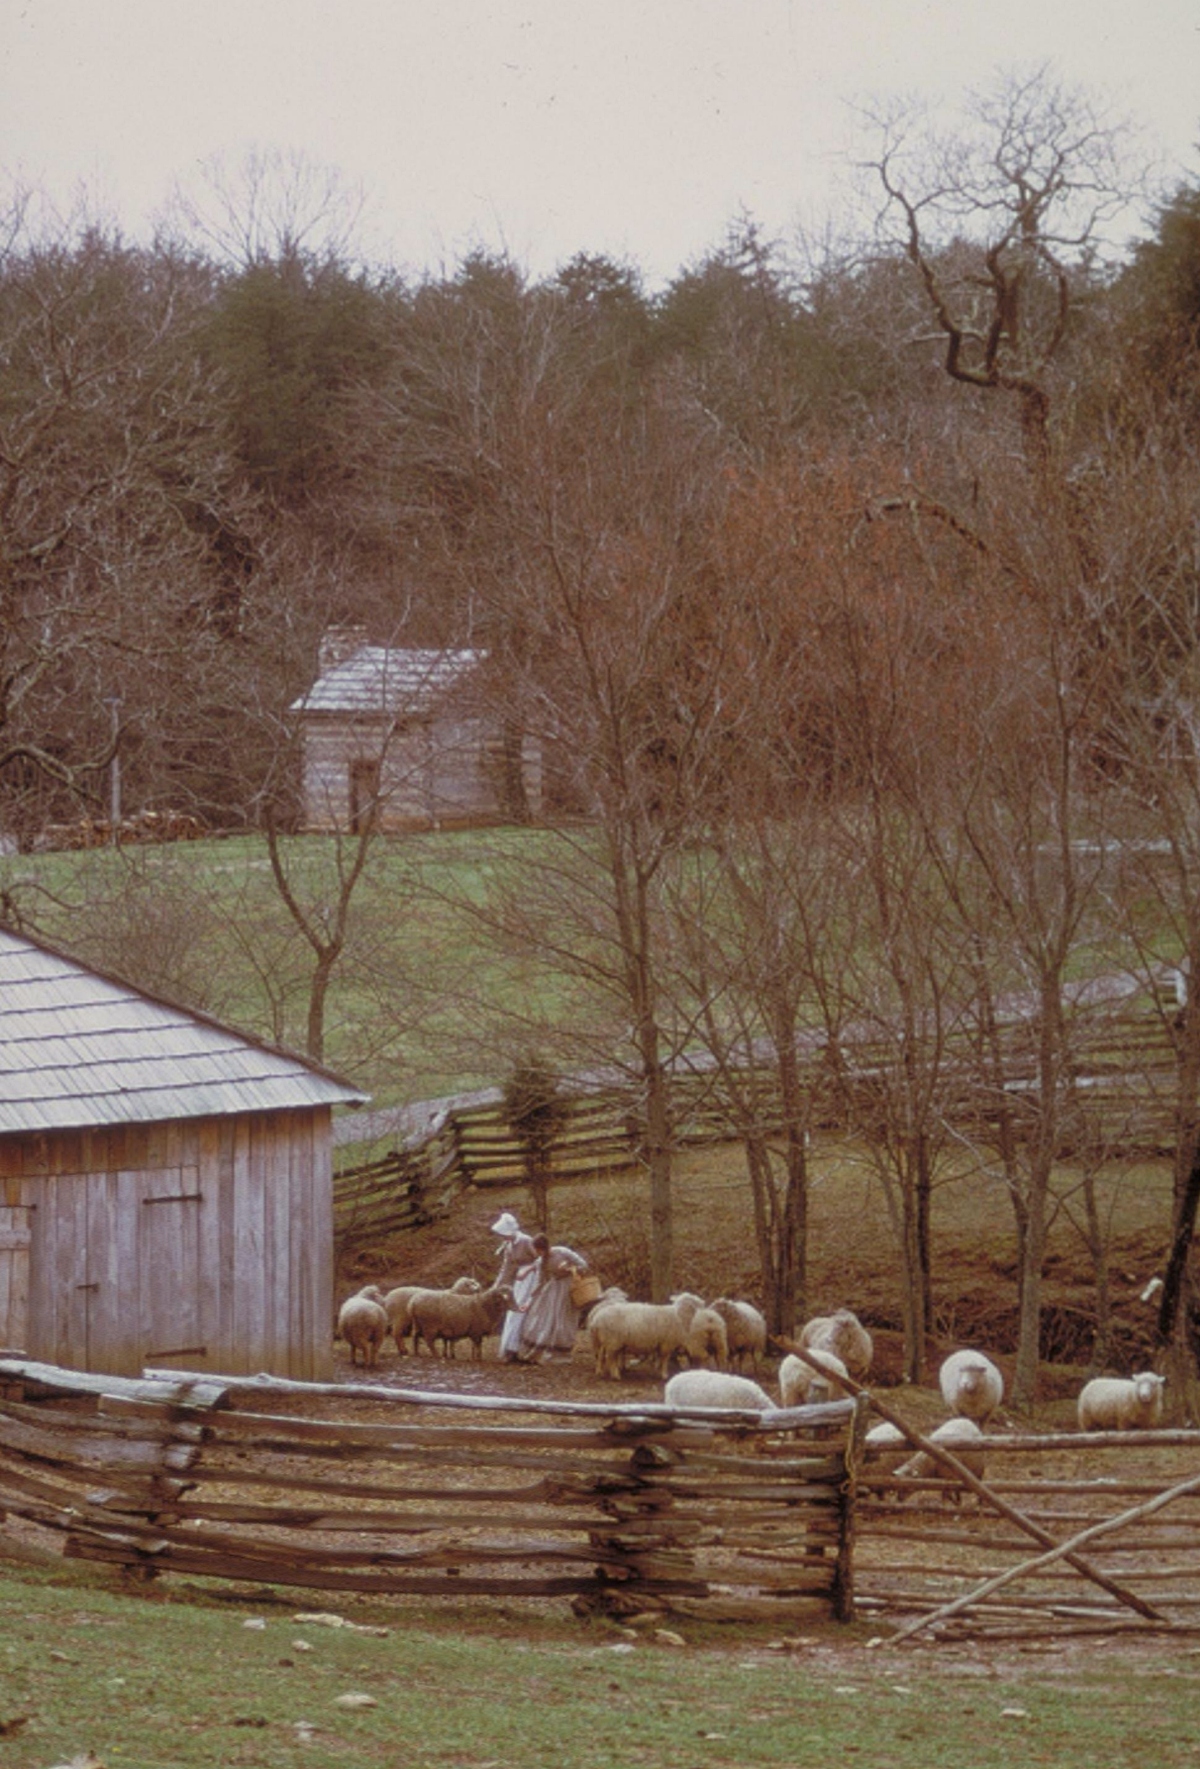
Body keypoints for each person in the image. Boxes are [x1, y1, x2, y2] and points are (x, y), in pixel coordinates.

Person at [516, 1232, 589, 1364]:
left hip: (568, 1286)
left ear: (544, 1247)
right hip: (552, 1289)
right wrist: (529, 1301)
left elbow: (584, 1265)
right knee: (543, 1318)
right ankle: (541, 1351)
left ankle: (561, 1353)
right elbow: (540, 1282)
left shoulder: (562, 1252)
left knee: (562, 1321)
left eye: (538, 1250)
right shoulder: (540, 1262)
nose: (537, 1253)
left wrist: (569, 1268)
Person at [492, 1211, 541, 1362]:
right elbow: (506, 1267)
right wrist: (497, 1285)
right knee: (513, 1310)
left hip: (532, 1277)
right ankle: (510, 1347)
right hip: (520, 1279)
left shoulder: (526, 1241)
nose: (503, 1237)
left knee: (521, 1310)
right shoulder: (508, 1245)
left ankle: (517, 1348)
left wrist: (529, 1270)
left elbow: (540, 1259)